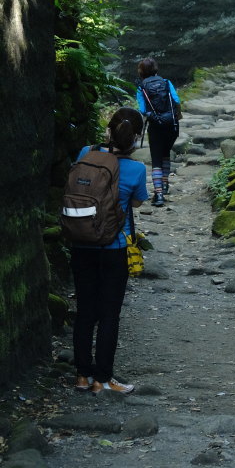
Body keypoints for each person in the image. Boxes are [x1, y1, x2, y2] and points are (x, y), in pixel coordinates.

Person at [70, 108, 148, 394]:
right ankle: (103, 379)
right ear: (136, 138)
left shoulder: (85, 153)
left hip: (81, 243)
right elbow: (137, 204)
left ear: (108, 131)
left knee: (85, 311)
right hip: (114, 247)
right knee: (109, 314)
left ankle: (82, 376)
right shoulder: (137, 169)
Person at [136, 57, 181, 207]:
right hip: (172, 125)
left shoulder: (141, 87)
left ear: (141, 71)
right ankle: (165, 184)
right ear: (156, 69)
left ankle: (159, 194)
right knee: (165, 154)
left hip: (156, 126)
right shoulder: (166, 82)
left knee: (156, 160)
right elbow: (176, 101)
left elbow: (142, 110)